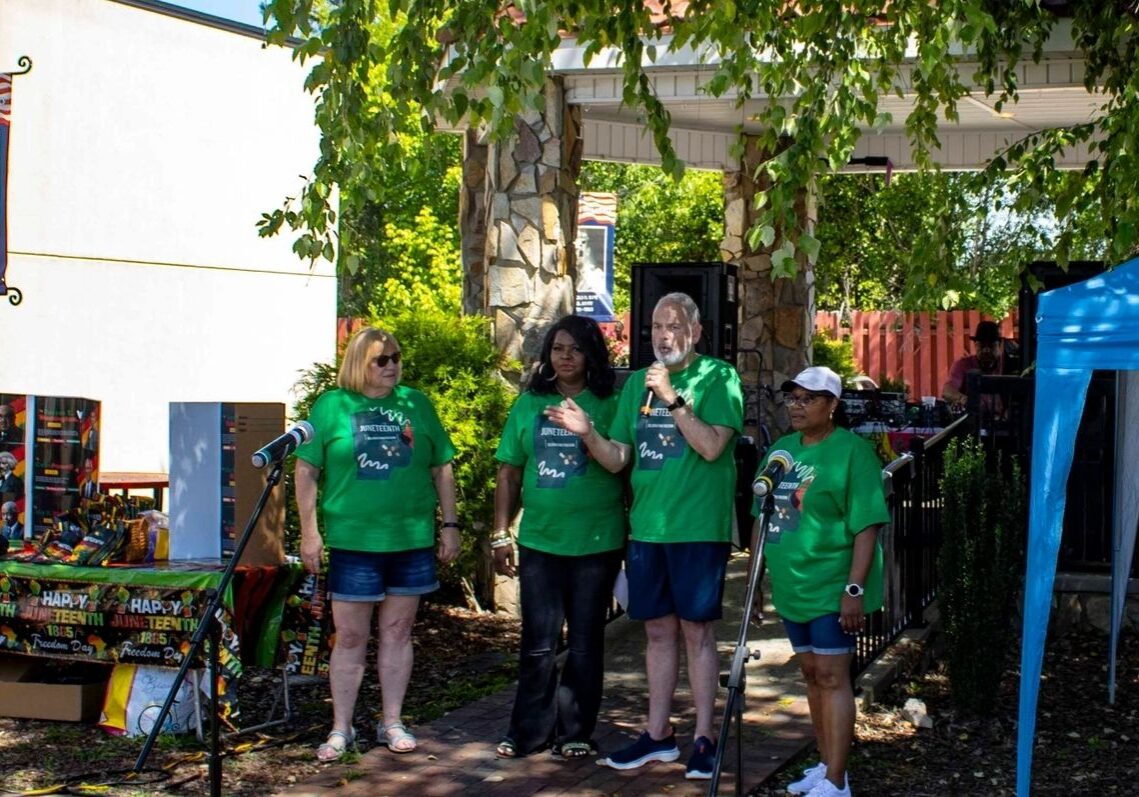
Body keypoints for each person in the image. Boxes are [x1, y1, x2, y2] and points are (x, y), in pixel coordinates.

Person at [546, 292, 743, 781]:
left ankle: (704, 737)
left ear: (696, 332)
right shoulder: (637, 384)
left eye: (674, 326)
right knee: (656, 630)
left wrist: (674, 399)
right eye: (656, 326)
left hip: (697, 527)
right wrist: (588, 432)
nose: (663, 335)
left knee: (696, 631)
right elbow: (618, 457)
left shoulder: (719, 377)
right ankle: (658, 735)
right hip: (648, 528)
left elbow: (714, 447)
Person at [294, 326, 460, 763]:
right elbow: (306, 471)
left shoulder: (415, 403)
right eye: (381, 359)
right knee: (349, 635)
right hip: (353, 540)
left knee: (398, 631)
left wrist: (451, 524)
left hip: (409, 538)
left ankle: (392, 720)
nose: (392, 366)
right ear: (358, 363)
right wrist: (309, 533)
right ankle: (341, 728)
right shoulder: (332, 406)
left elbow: (442, 466)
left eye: (396, 358)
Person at [491, 315, 626, 760]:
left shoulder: (610, 403)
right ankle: (528, 732)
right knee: (538, 642)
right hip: (540, 542)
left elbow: (622, 464)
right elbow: (509, 471)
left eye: (575, 349)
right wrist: (500, 532)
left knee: (586, 643)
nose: (565, 357)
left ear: (591, 354)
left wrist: (587, 429)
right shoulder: (530, 403)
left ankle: (575, 733)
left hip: (596, 540)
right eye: (557, 348)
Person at [753, 366, 889, 797]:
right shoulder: (781, 450)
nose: (797, 405)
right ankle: (827, 764)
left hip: (834, 585)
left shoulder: (853, 452)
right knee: (811, 673)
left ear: (832, 405)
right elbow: (764, 516)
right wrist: (755, 579)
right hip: (793, 585)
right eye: (792, 397)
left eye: (808, 398)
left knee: (832, 676)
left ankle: (836, 781)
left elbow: (866, 526)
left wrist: (854, 589)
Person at [942, 321, 1008, 412]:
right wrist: (966, 400)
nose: (986, 350)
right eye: (982, 346)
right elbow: (947, 391)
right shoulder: (963, 364)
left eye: (991, 346)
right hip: (974, 420)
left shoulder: (1008, 364)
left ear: (999, 346)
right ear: (975, 345)